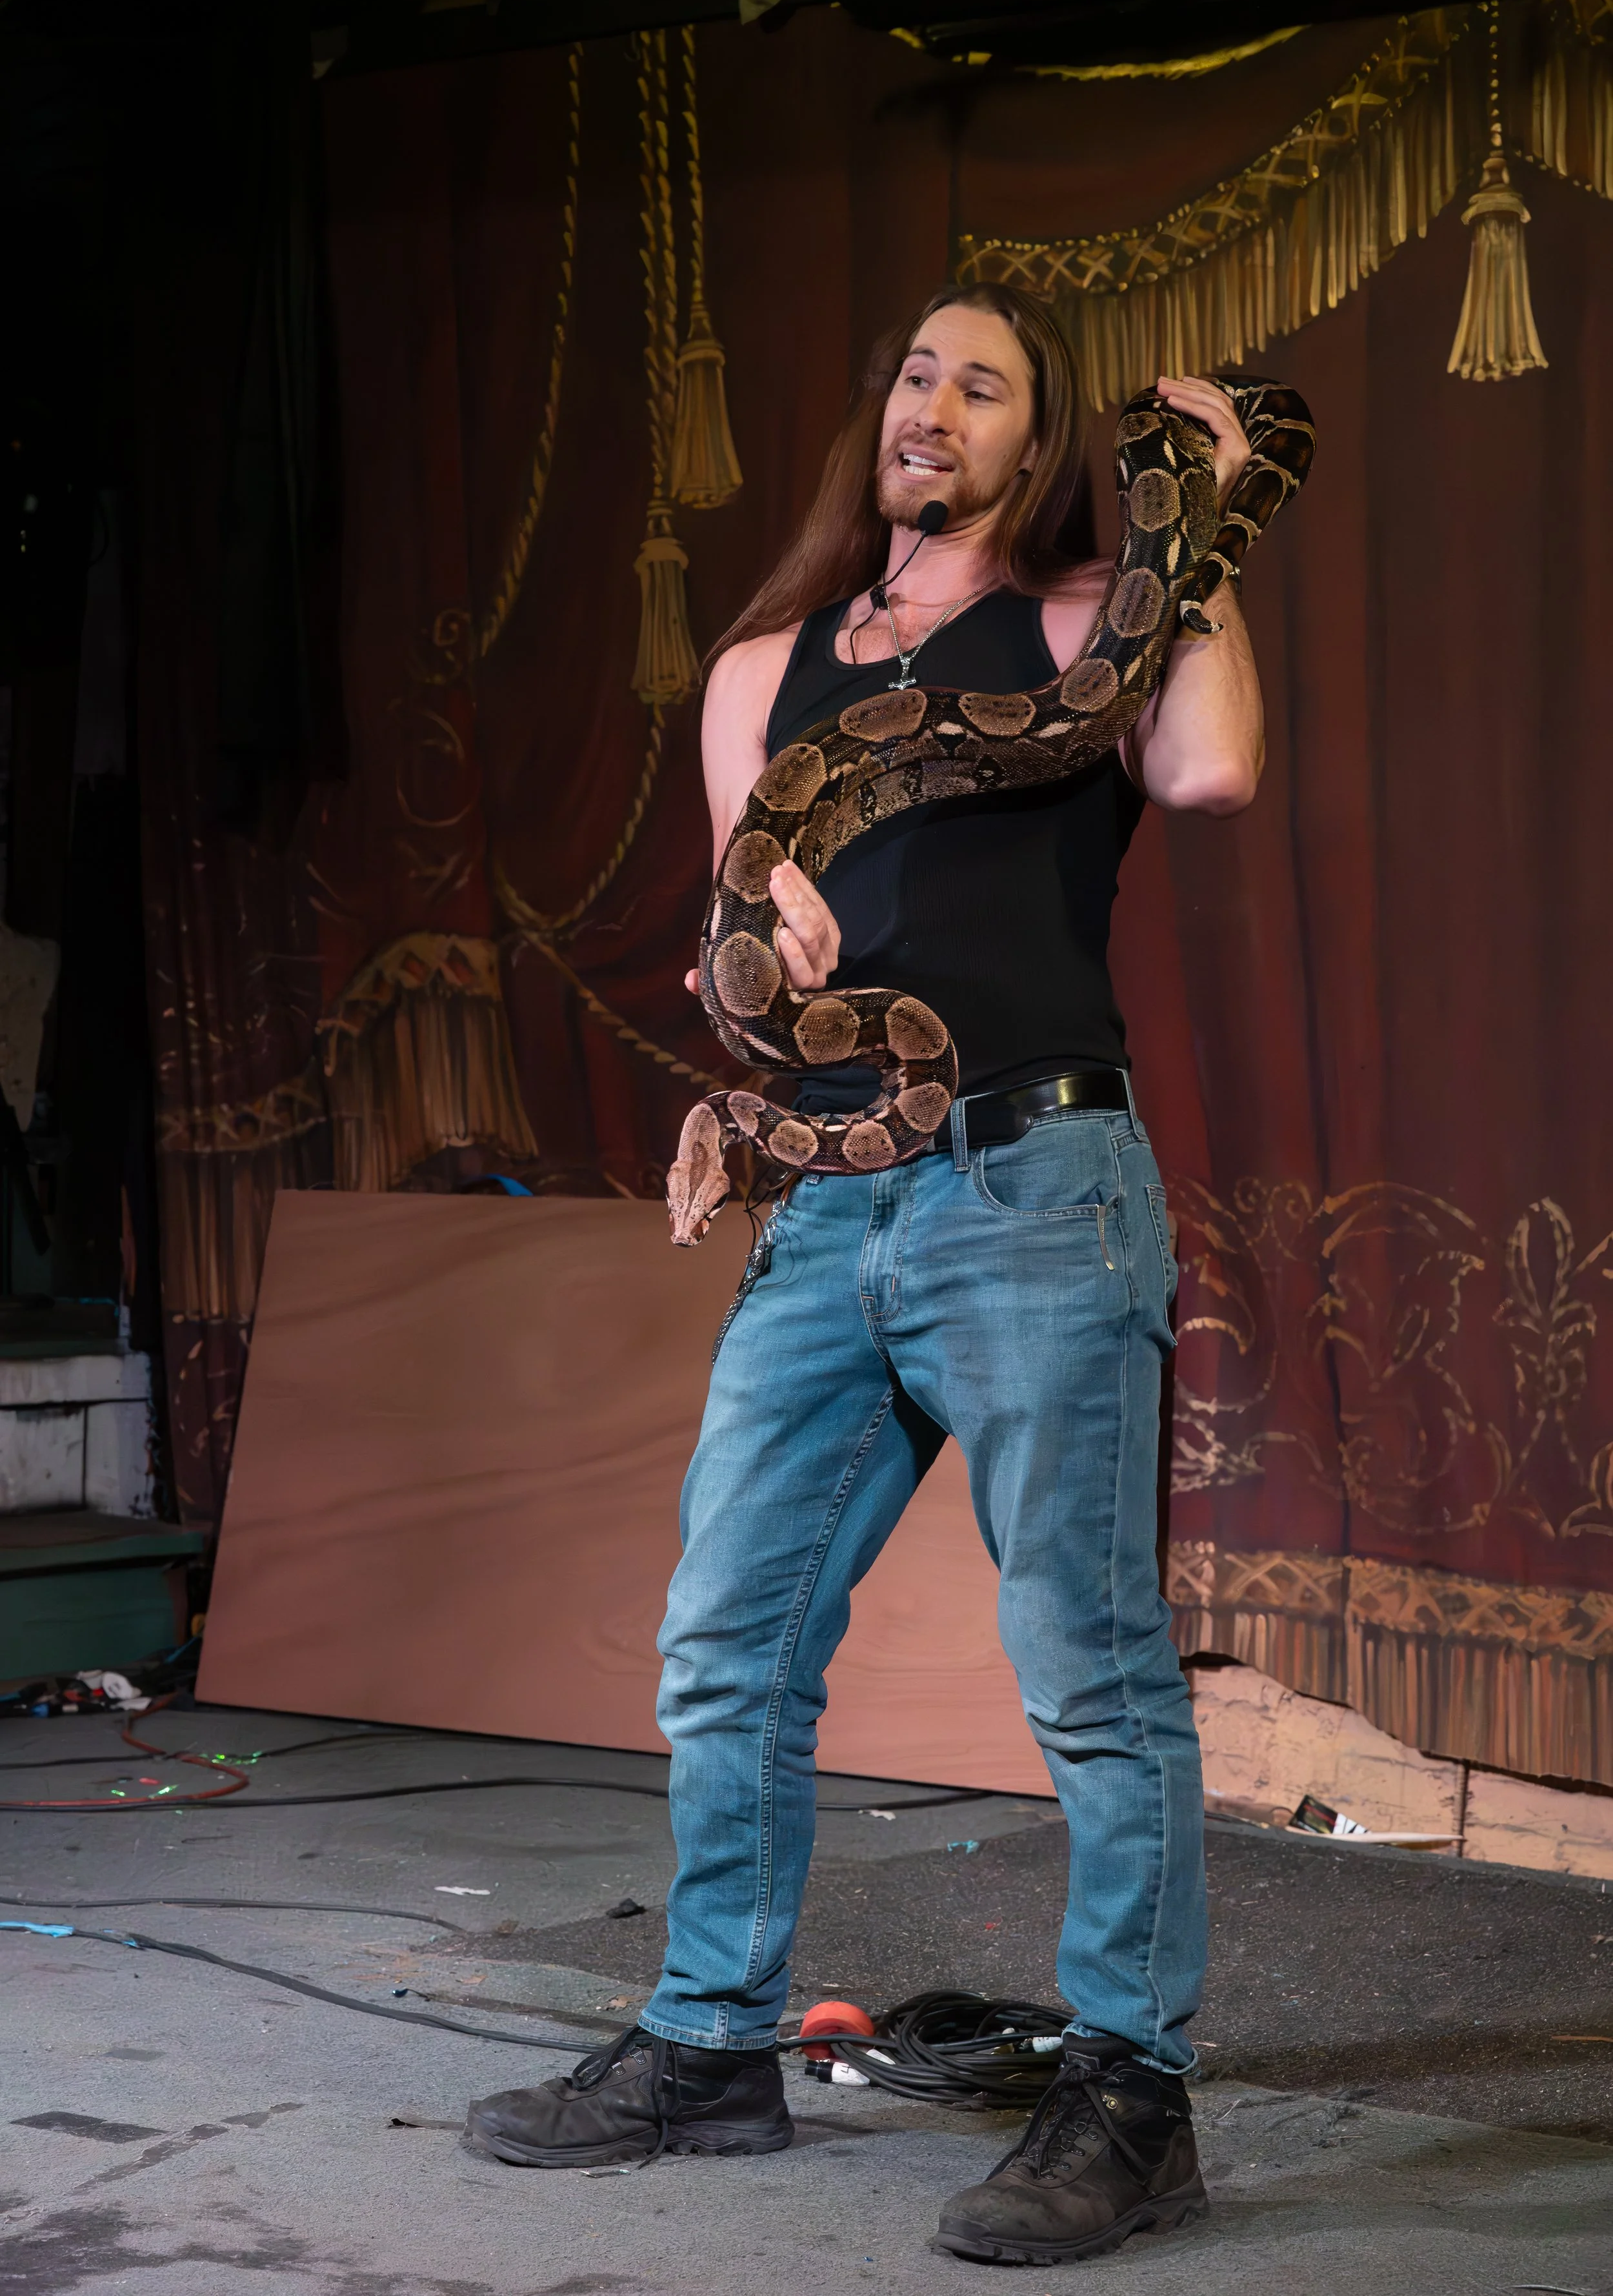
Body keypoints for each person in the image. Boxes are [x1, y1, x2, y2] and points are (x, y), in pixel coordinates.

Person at [467, 283, 1263, 2264]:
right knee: (725, 1637)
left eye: (983, 383)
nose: (936, 401)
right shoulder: (761, 667)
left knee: (1084, 1668)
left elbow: (1211, 773)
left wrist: (1204, 527)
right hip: (835, 1200)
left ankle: (1132, 2096)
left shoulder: (1087, 622)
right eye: (917, 370)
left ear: (1039, 437)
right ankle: (708, 2042)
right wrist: (756, 949)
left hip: (1033, 1182)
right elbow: (744, 959)